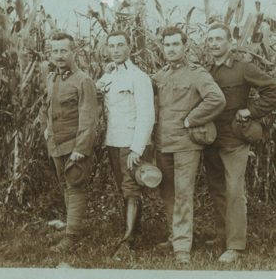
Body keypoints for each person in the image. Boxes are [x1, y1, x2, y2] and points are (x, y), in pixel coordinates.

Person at [204, 23, 276, 263]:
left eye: (219, 39)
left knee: (235, 190)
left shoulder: (243, 68)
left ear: (230, 42)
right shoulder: (206, 71)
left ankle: (236, 246)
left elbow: (274, 89)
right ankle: (222, 236)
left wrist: (251, 111)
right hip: (210, 139)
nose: (214, 44)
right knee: (217, 189)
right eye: (210, 40)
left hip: (235, 139)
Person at [152, 26, 226, 265]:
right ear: (162, 47)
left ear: (185, 47)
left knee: (183, 193)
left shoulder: (197, 73)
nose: (171, 49)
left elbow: (216, 99)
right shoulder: (160, 76)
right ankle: (175, 237)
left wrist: (192, 119)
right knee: (168, 193)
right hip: (163, 144)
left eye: (175, 44)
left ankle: (182, 247)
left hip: (186, 145)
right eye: (167, 45)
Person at [96, 30, 155, 256]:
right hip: (113, 141)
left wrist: (136, 148)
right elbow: (96, 89)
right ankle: (133, 232)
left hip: (131, 143)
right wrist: (105, 73)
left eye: (120, 45)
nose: (116, 50)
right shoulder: (112, 75)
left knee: (132, 189)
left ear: (129, 47)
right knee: (125, 188)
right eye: (111, 46)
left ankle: (128, 241)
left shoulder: (138, 77)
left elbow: (146, 114)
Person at [44, 32, 98, 254]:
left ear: (73, 52)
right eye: (55, 51)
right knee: (65, 186)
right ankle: (72, 227)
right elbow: (46, 108)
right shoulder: (52, 78)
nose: (59, 56)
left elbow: (89, 118)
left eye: (63, 51)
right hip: (56, 144)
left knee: (75, 186)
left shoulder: (83, 80)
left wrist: (80, 149)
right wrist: (46, 131)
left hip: (74, 146)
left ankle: (72, 237)